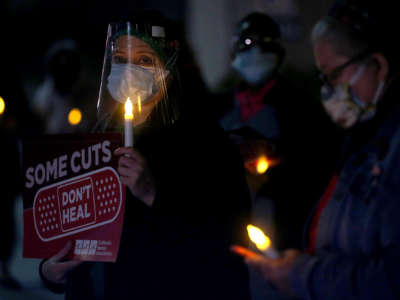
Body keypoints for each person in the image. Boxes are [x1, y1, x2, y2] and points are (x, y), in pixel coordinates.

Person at [39, 12, 251, 300]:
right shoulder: (97, 138)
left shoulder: (205, 141)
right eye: (120, 59)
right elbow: (71, 237)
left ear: (169, 68)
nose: (129, 70)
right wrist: (50, 270)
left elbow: (228, 238)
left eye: (144, 60)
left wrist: (154, 194)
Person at [232, 1, 400, 299]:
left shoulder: (387, 147)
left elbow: (389, 278)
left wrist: (301, 274)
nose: (328, 90)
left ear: (380, 65)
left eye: (334, 74)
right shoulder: (363, 136)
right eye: (323, 78)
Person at [219, 12, 339, 253]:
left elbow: (322, 163)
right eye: (248, 43)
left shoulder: (302, 108)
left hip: (287, 233)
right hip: (229, 228)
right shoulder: (218, 106)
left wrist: (275, 166)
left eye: (264, 43)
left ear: (278, 51)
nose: (256, 52)